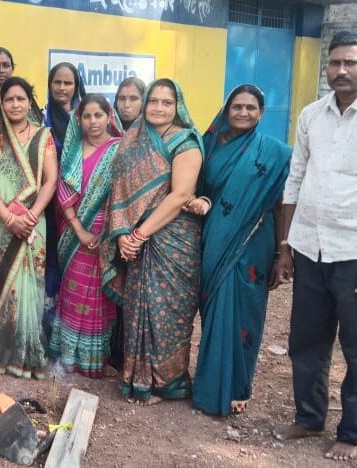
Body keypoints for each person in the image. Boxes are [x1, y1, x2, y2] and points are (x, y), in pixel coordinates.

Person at [272, 31, 357, 462]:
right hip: (309, 247)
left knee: (356, 347)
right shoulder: (311, 114)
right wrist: (286, 245)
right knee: (306, 340)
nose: (341, 70)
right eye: (335, 62)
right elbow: (296, 178)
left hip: (353, 252)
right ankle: (308, 418)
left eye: (351, 63)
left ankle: (352, 433)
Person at [189, 84, 291, 416]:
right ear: (226, 110)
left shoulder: (275, 153)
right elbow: (194, 189)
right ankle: (210, 386)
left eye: (251, 108)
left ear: (261, 113)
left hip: (255, 241)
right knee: (215, 307)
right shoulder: (207, 145)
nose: (244, 113)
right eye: (237, 107)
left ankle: (238, 387)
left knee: (247, 310)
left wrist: (281, 252)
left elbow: (281, 206)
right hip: (214, 237)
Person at [101, 78, 204, 405]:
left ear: (178, 107)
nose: (159, 108)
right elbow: (118, 190)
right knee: (138, 309)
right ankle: (138, 379)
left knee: (167, 312)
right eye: (153, 101)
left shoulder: (185, 141)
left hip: (172, 239)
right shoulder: (133, 139)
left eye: (167, 102)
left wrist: (138, 235)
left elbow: (181, 195)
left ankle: (168, 383)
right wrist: (121, 234)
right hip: (135, 239)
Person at [0, 77, 58, 379]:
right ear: (1, 102)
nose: (15, 104)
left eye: (21, 99)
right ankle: (5, 350)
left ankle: (28, 352)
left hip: (34, 222)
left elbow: (50, 180)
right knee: (5, 288)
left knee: (30, 287)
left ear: (30, 102)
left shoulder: (43, 136)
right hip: (2, 222)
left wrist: (32, 215)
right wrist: (10, 219)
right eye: (9, 99)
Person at [48, 94, 121, 378]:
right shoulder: (72, 150)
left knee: (97, 295)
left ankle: (93, 359)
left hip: (106, 231)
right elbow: (62, 190)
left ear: (108, 116)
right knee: (73, 289)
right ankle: (67, 355)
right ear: (79, 120)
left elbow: (124, 193)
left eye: (98, 115)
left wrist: (108, 231)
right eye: (87, 116)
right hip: (73, 231)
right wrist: (78, 228)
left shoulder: (119, 149)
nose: (93, 121)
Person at [42, 62, 86, 338]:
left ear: (76, 86)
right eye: (57, 82)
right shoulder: (42, 117)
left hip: (82, 202)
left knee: (76, 261)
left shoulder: (86, 117)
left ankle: (73, 328)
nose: (62, 88)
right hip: (50, 203)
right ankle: (49, 327)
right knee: (51, 259)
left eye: (68, 83)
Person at [109, 76, 145, 370]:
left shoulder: (152, 137)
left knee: (138, 292)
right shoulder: (109, 131)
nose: (126, 105)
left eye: (133, 99)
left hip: (146, 227)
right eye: (122, 99)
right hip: (113, 225)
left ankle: (135, 358)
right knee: (115, 286)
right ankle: (115, 352)